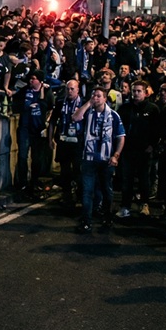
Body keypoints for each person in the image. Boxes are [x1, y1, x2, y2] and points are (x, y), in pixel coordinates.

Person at [71, 87, 126, 232]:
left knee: (106, 190)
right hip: (89, 158)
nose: (95, 97)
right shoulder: (88, 113)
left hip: (106, 159)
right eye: (93, 95)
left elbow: (121, 137)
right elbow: (76, 117)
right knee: (87, 190)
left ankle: (107, 217)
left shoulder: (113, 116)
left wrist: (116, 155)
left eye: (98, 96)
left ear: (105, 99)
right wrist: (89, 103)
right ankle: (86, 221)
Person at [117, 80, 160, 218]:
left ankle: (144, 204)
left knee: (144, 179)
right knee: (127, 179)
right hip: (128, 149)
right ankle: (125, 206)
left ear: (145, 92)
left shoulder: (152, 109)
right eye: (134, 90)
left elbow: (157, 130)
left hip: (144, 150)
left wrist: (152, 145)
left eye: (139, 91)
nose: (136, 93)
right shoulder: (125, 108)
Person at [11, 71, 52, 197]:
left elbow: (50, 108)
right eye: (31, 78)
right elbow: (15, 103)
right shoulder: (25, 91)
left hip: (37, 129)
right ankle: (23, 182)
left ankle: (34, 181)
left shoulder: (47, 92)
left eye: (34, 79)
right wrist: (25, 107)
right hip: (25, 128)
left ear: (40, 81)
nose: (31, 81)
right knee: (23, 156)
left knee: (36, 158)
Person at [49, 78, 84, 207]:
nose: (69, 91)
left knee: (78, 170)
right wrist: (50, 138)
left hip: (77, 142)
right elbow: (53, 121)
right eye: (67, 89)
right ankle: (66, 196)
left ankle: (80, 196)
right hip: (63, 141)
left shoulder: (83, 103)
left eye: (72, 89)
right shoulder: (60, 103)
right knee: (64, 171)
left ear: (78, 90)